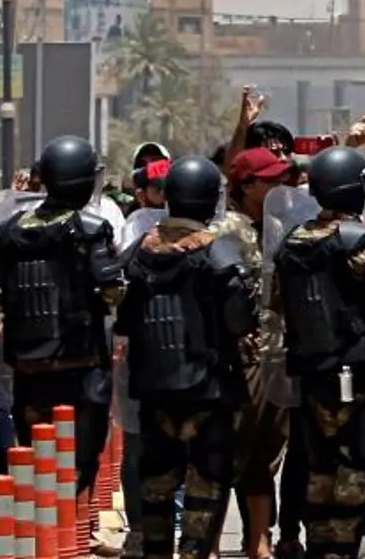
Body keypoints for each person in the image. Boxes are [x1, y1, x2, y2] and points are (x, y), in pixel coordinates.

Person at [274, 146, 365, 559]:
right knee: (363, 470)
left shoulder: (291, 242)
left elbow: (276, 307)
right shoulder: (362, 241)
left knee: (319, 473)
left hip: (312, 375)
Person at [118, 155, 256, 559]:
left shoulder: (138, 253)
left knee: (156, 485)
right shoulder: (219, 252)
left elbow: (123, 319)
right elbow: (240, 320)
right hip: (209, 392)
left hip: (153, 392)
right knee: (206, 485)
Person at [0, 136, 122, 502]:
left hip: (28, 367)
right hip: (82, 367)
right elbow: (111, 290)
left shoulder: (8, 232)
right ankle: (70, 535)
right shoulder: (91, 229)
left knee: (35, 460)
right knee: (79, 460)